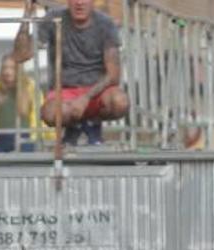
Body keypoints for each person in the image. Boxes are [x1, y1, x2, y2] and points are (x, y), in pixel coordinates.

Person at [13, 0, 130, 145]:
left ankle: (93, 123)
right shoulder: (54, 18)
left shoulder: (105, 23)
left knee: (120, 102)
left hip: (97, 91)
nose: (79, 3)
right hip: (65, 91)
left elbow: (114, 75)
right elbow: (20, 56)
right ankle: (74, 126)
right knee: (49, 114)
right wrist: (27, 15)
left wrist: (85, 98)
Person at [0, 53, 42, 152]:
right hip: (0, 138)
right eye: (5, 68)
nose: (7, 72)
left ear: (18, 70)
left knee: (24, 163)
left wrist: (48, 138)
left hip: (26, 138)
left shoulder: (30, 87)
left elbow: (39, 115)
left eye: (12, 68)